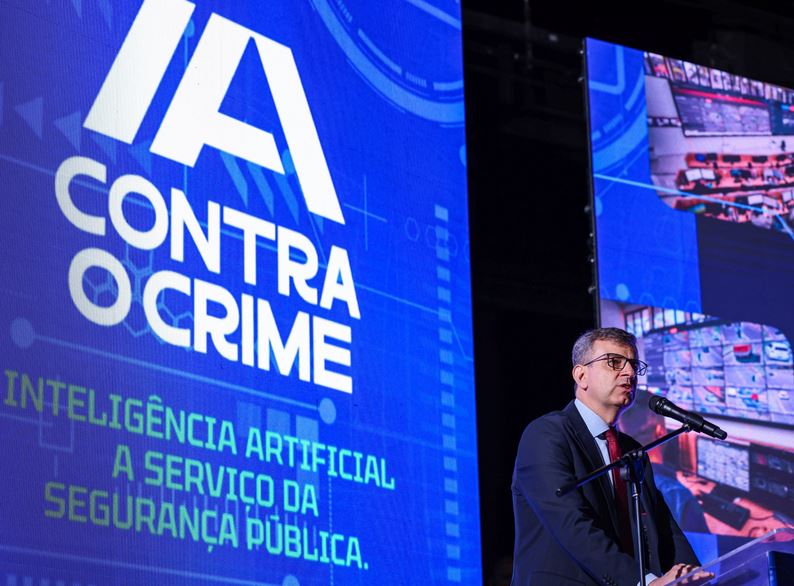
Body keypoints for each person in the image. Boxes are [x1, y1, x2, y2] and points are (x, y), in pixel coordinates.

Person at [511, 328, 711, 585]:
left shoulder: (631, 449)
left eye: (633, 365)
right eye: (614, 362)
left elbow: (664, 527)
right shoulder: (546, 434)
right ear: (581, 375)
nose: (629, 373)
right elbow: (571, 523)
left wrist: (694, 574)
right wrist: (644, 583)